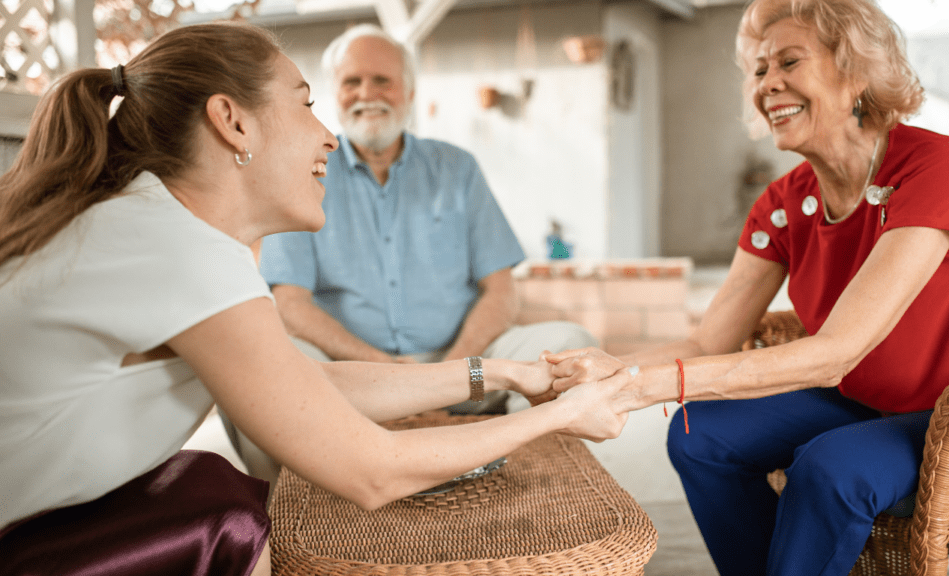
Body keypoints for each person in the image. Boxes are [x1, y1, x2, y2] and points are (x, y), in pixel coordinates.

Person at [0, 22, 631, 576]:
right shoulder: (178, 249)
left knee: (214, 487)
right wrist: (558, 415)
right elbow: (374, 471)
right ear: (232, 121)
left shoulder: (155, 223)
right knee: (228, 507)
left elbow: (302, 382)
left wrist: (499, 372)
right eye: (306, 105)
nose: (328, 137)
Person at [543, 1, 949, 575]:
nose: (767, 83)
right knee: (700, 437)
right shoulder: (784, 203)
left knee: (831, 466)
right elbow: (707, 343)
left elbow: (836, 352)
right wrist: (607, 370)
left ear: (856, 75)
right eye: (760, 69)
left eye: (789, 62)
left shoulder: (933, 167)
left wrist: (643, 389)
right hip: (860, 400)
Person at [257, 24, 596, 395]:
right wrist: (383, 367)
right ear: (335, 94)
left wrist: (453, 371)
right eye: (352, 82)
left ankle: (527, 447)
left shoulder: (458, 168)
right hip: (354, 377)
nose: (366, 94)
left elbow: (501, 290)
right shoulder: (304, 174)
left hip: (468, 373)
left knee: (568, 343)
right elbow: (290, 303)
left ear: (411, 92)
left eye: (382, 80)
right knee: (263, 360)